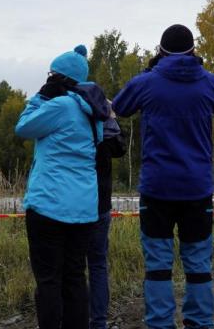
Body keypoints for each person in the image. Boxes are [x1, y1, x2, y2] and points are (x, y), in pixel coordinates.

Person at [113, 24, 214, 329]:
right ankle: (200, 322)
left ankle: (160, 324)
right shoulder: (207, 81)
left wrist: (150, 72)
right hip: (197, 188)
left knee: (158, 265)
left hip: (157, 188)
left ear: (161, 50)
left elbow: (120, 106)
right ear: (194, 50)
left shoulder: (148, 82)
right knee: (198, 264)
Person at [15, 45, 109, 329]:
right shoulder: (94, 114)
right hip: (83, 209)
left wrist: (40, 97)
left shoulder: (59, 106)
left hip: (49, 206)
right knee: (75, 278)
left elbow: (23, 128)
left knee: (48, 280)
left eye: (51, 74)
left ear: (59, 78)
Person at [86, 103, 125, 329]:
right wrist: (111, 116)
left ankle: (74, 318)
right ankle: (98, 321)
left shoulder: (66, 114)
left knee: (71, 266)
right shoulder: (104, 122)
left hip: (73, 202)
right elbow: (119, 147)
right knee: (98, 263)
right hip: (100, 201)